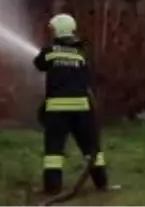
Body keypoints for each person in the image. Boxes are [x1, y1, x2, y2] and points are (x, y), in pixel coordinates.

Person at [32, 13, 109, 197]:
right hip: (83, 110)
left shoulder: (50, 51)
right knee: (91, 149)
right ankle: (102, 183)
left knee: (54, 152)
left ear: (58, 31)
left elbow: (38, 64)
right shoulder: (81, 54)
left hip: (57, 111)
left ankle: (52, 188)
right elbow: (88, 78)